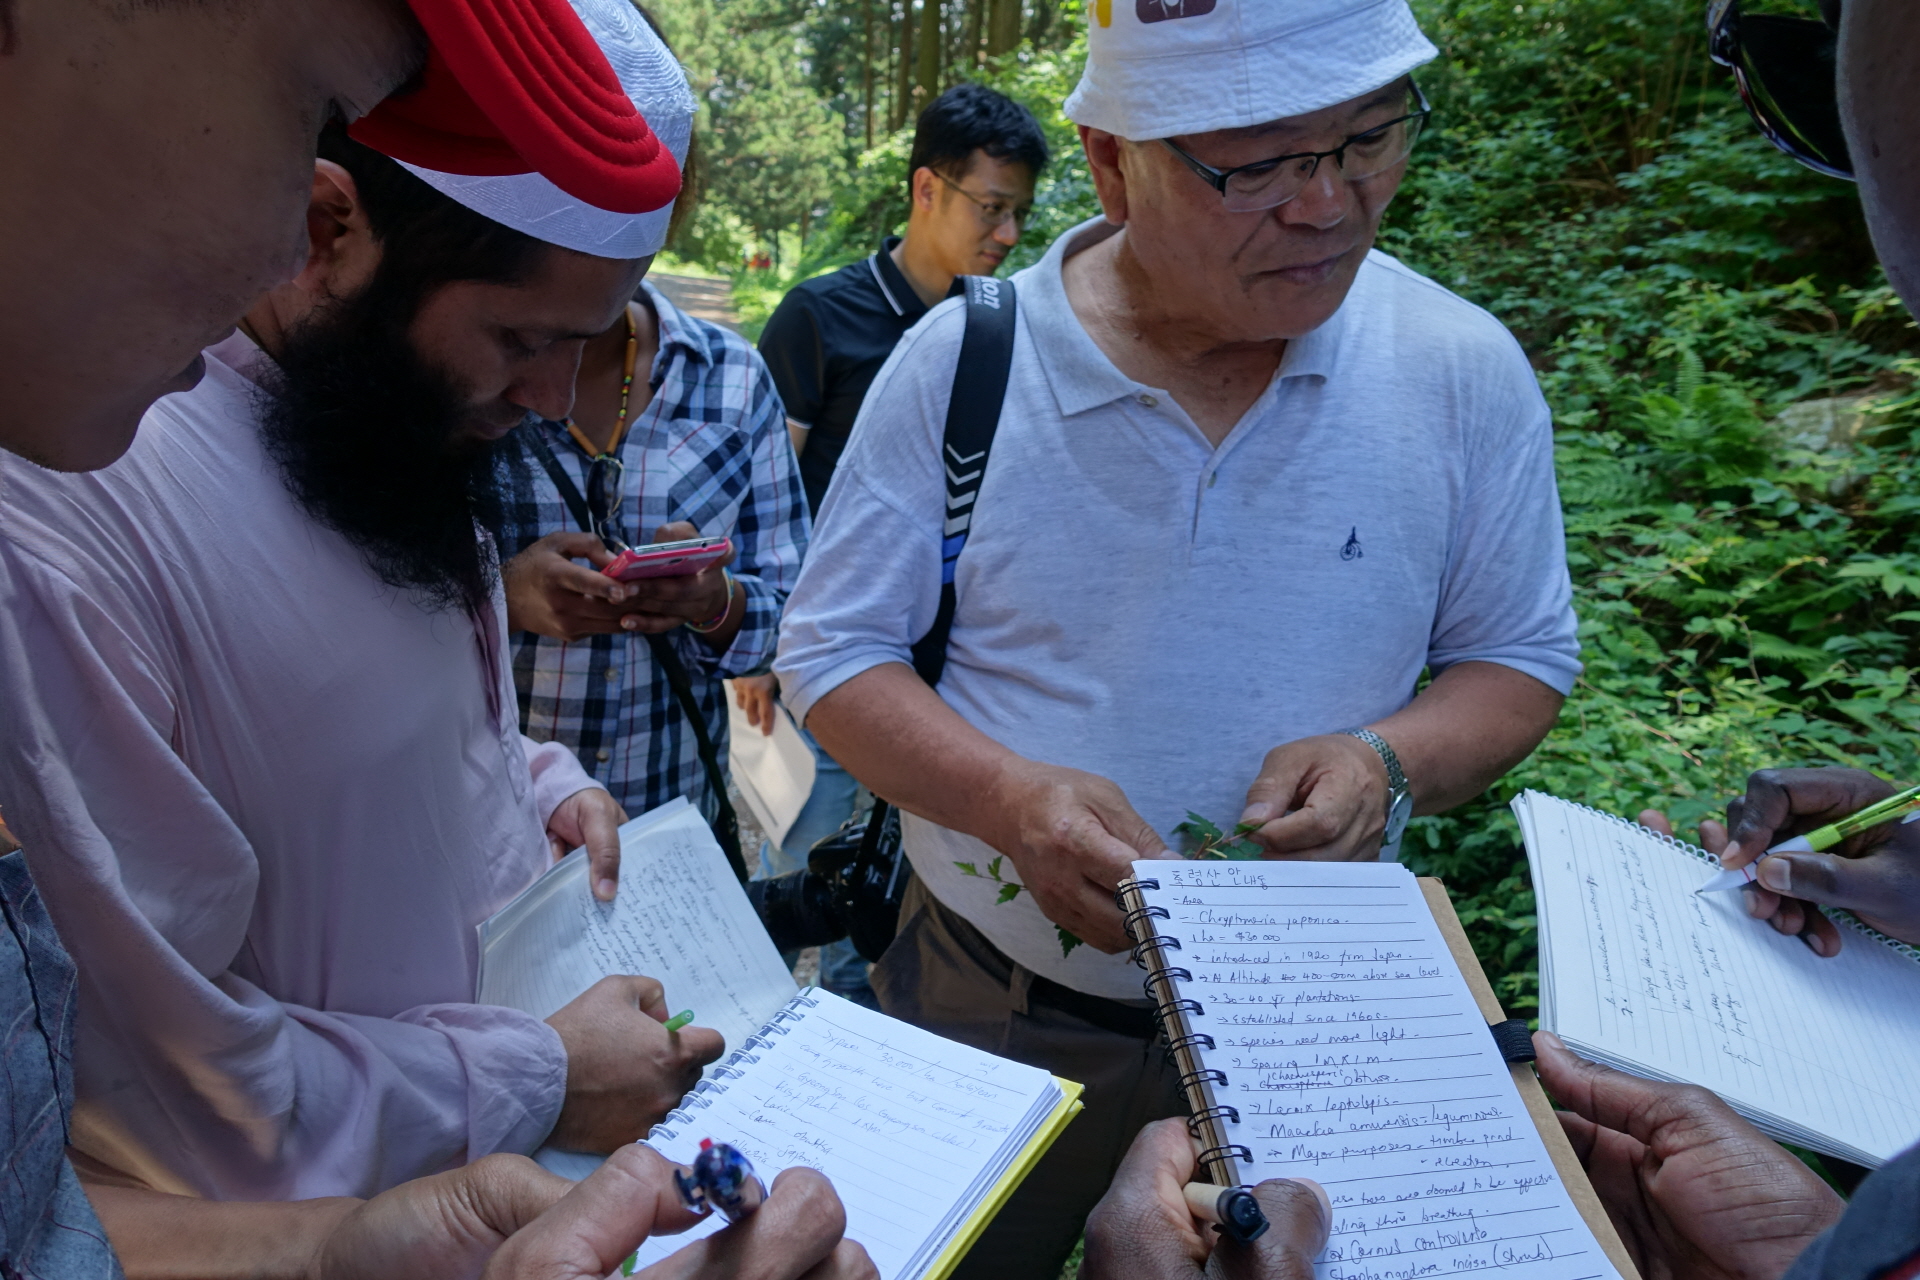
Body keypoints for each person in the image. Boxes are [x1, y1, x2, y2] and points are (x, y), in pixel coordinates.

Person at [1, 2, 866, 1278]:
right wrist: (539, 1073)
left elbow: (443, 737)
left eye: (583, 352)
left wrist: (545, 788)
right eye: (522, 341)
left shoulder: (380, 431)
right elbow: (180, 1087)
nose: (545, 408)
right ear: (330, 230)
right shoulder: (84, 489)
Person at [774, 2, 1582, 1273]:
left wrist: (1388, 757)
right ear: (1111, 158)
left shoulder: (1459, 372)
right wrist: (1007, 796)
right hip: (989, 1003)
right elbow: (830, 655)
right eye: (1254, 165)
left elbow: (1520, 656)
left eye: (1370, 138)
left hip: (1302, 1035)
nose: (1327, 205)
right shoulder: (969, 363)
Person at [746, 82, 1052, 1003]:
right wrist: (765, 650)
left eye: (1020, 215)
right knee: (834, 901)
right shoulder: (820, 316)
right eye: (990, 207)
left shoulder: (1010, 330)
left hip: (961, 692)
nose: (1005, 234)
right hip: (846, 671)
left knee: (912, 910)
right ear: (927, 190)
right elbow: (769, 499)